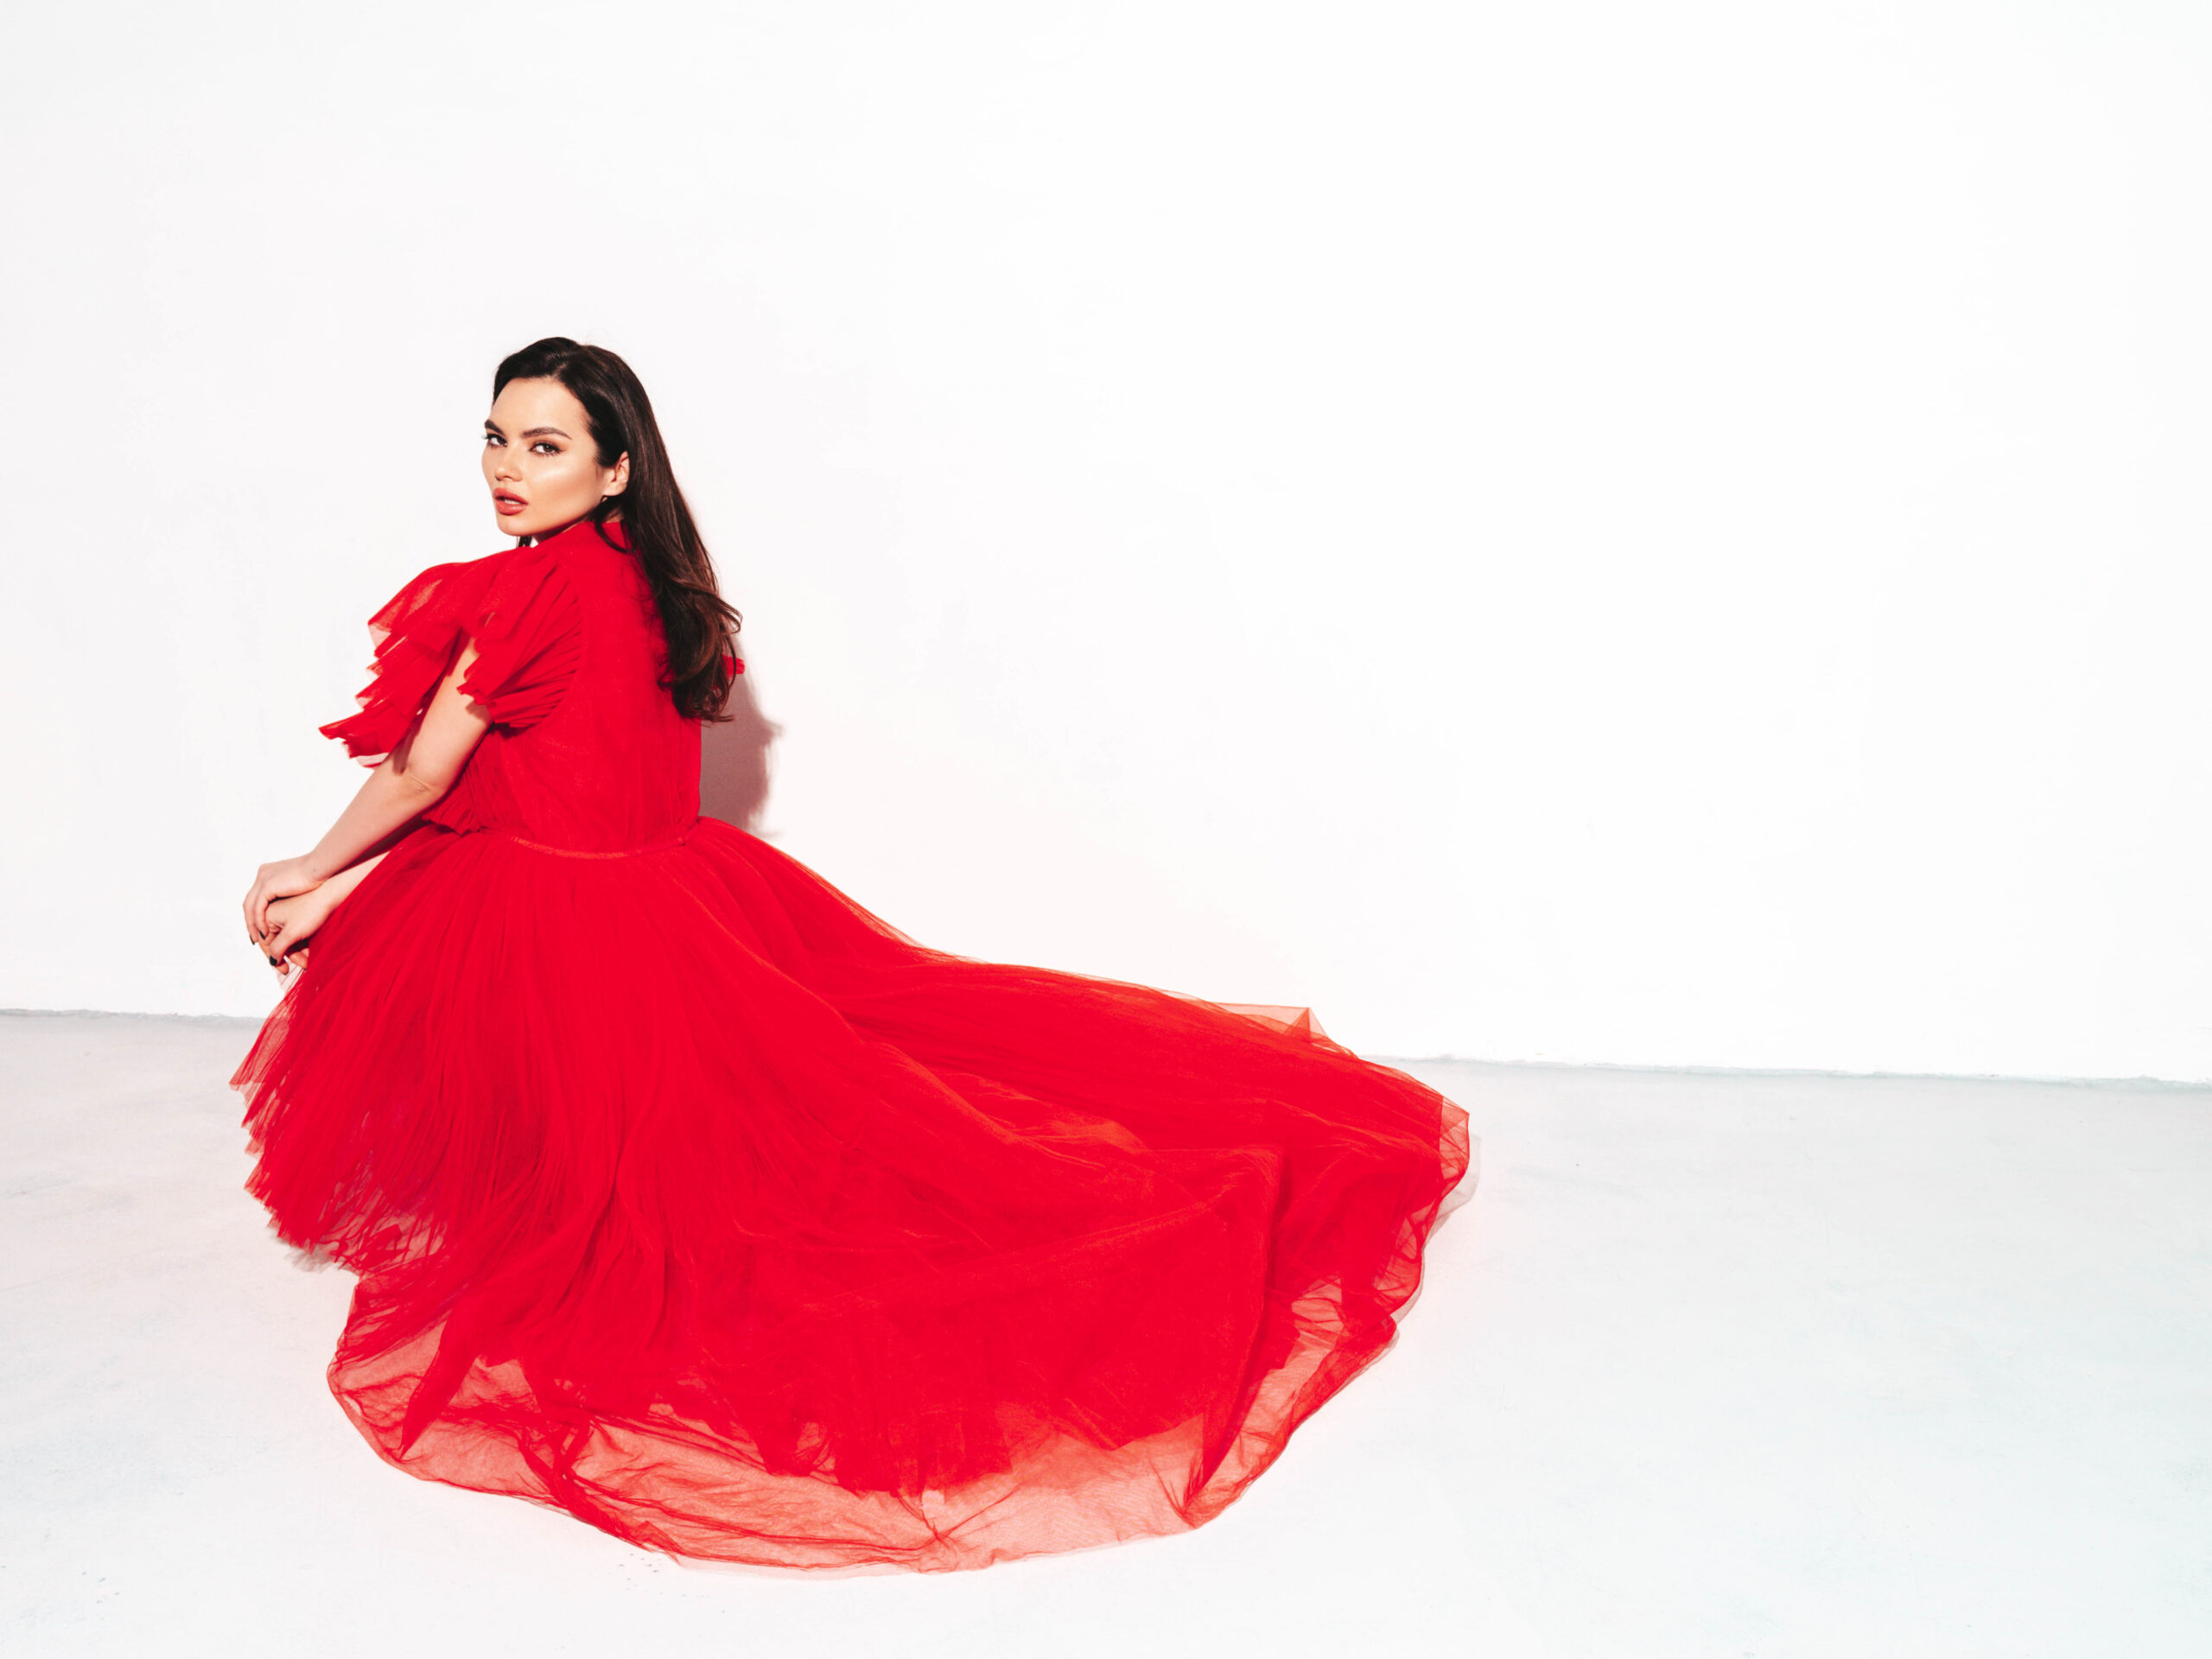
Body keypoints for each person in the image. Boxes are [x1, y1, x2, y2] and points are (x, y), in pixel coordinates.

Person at [233, 336, 1475, 1573]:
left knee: (682, 1197)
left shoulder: (522, 590)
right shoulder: (649, 576)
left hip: (580, 914)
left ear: (614, 470)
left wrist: (311, 867)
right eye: (497, 441)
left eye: (545, 447)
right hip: (671, 892)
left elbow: (431, 768)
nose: (508, 469)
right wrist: (351, 886)